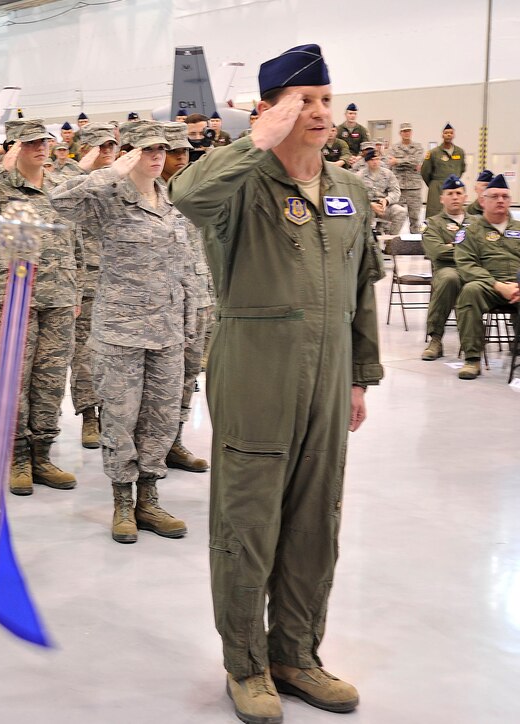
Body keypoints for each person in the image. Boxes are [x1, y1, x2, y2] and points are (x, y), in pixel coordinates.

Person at [170, 43, 380, 724]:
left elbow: (363, 289)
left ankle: (297, 655)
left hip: (328, 375)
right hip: (256, 367)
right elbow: (186, 196)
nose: (318, 112)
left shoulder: (352, 191)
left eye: (323, 99)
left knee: (317, 520)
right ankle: (247, 665)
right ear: (270, 110)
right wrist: (253, 140)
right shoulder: (240, 185)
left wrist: (361, 378)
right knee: (248, 521)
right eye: (302, 101)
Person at [52, 120, 190, 544]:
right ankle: (122, 503)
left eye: (160, 150)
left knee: (160, 418)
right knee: (120, 418)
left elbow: (181, 265)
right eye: (146, 150)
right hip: (121, 331)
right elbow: (59, 201)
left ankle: (149, 498)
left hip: (167, 329)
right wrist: (110, 171)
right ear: (130, 153)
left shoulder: (169, 200)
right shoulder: (109, 198)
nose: (156, 157)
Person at [0, 119, 83, 499]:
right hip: (13, 296)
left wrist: (77, 290)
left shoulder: (61, 189)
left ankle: (43, 452)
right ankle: (16, 455)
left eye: (44, 141)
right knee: (13, 378)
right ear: (14, 147)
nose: (40, 148)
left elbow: (77, 242)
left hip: (58, 295)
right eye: (31, 142)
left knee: (51, 379)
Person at [159, 121, 212, 474]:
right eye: (173, 152)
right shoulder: (139, 194)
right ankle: (148, 449)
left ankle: (173, 442)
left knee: (187, 376)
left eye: (184, 153)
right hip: (157, 304)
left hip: (199, 298)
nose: (181, 159)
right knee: (156, 382)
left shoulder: (196, 192)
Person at [69, 122, 119, 448]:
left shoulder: (124, 181)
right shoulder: (72, 183)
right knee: (85, 354)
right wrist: (80, 168)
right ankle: (90, 416)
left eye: (110, 146)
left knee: (118, 353)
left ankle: (115, 414)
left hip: (121, 281)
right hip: (86, 280)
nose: (106, 152)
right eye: (99, 146)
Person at [454, 174, 520, 380]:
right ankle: (472, 359)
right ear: (483, 200)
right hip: (488, 286)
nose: (500, 200)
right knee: (469, 292)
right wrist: (497, 284)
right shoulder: (470, 231)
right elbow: (466, 265)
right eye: (495, 196)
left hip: (518, 284)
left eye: (505, 196)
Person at [420, 174, 467, 361]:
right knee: (450, 279)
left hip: (475, 271)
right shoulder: (432, 224)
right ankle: (435, 339)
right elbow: (438, 252)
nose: (455, 197)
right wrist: (468, 250)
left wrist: (452, 246)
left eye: (458, 193)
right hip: (446, 270)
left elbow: (487, 250)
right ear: (442, 198)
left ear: (465, 197)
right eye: (450, 193)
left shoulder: (478, 222)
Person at [357, 149, 407, 235]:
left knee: (401, 212)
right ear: (367, 161)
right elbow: (355, 195)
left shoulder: (388, 174)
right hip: (366, 207)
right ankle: (367, 242)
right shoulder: (359, 176)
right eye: (372, 160)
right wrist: (369, 204)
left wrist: (387, 200)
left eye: (377, 159)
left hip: (383, 206)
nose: (375, 162)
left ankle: (390, 241)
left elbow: (395, 192)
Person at [420, 123, 465, 218]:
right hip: (436, 187)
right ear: (442, 135)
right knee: (434, 213)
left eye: (451, 133)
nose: (448, 135)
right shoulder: (433, 153)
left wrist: (453, 181)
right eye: (446, 133)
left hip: (454, 187)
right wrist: (433, 184)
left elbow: (462, 169)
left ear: (454, 135)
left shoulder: (460, 152)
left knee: (454, 211)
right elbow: (425, 171)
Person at [386, 122, 424, 232]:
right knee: (396, 218)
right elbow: (390, 162)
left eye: (408, 131)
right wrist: (410, 162)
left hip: (414, 188)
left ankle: (415, 245)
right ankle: (392, 244)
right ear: (400, 133)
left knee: (415, 218)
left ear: (411, 132)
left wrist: (397, 161)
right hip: (398, 187)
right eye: (404, 131)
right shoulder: (394, 148)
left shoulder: (418, 147)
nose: (406, 133)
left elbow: (416, 161)